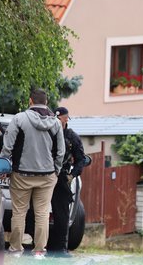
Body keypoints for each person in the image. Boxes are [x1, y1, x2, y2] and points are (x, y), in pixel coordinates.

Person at [0, 89, 65, 260]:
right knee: (42, 213)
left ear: (30, 101)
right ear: (46, 101)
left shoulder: (19, 119)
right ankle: (39, 251)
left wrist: (4, 166)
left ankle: (15, 249)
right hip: (47, 175)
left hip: (21, 174)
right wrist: (56, 171)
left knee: (19, 212)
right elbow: (60, 152)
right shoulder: (56, 123)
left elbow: (8, 145)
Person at [48, 106, 86, 257]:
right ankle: (39, 245)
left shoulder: (72, 136)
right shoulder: (47, 134)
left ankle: (60, 248)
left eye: (61, 118)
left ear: (66, 119)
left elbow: (81, 159)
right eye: (55, 118)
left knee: (62, 215)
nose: (58, 121)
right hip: (44, 176)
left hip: (62, 178)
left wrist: (72, 175)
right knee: (38, 212)